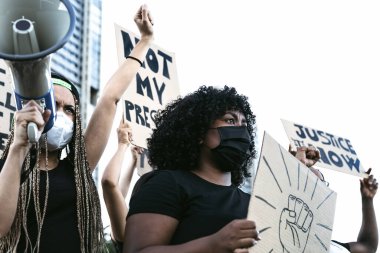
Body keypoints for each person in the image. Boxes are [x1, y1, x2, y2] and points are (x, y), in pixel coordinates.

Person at [0, 4, 154, 252]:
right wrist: (19, 146)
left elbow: (109, 98)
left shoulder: (77, 167)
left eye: (69, 110)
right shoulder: (8, 167)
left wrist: (145, 41)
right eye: (53, 105)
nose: (61, 114)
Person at [123, 86, 260, 253]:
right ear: (199, 133)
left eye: (244, 124)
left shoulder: (254, 203)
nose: (239, 129)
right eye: (230, 120)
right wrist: (213, 244)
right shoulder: (167, 184)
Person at [290, 146, 378, 253]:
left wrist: (367, 200)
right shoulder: (273, 230)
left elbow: (368, 247)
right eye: (307, 180)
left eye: (319, 184)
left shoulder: (334, 248)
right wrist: (294, 165)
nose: (314, 188)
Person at [102, 119, 143, 252]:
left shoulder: (131, 234)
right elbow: (110, 184)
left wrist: (130, 157)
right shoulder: (127, 233)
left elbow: (115, 190)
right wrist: (122, 145)